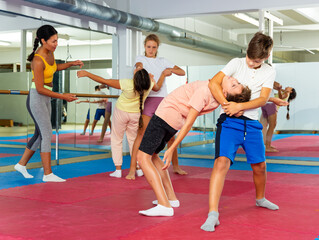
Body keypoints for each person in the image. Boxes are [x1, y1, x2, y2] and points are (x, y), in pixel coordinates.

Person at [201, 32, 288, 232]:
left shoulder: (268, 71)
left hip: (252, 125)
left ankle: (261, 198)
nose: (250, 63)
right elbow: (213, 83)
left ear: (265, 58)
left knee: (260, 166)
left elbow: (262, 98)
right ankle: (213, 214)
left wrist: (241, 107)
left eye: (256, 61)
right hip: (230, 123)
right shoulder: (236, 63)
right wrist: (226, 104)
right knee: (221, 162)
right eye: (249, 58)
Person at [137, 76, 251, 217]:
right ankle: (171, 198)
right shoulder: (215, 94)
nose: (234, 79)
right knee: (153, 156)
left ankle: (163, 204)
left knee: (142, 157)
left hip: (164, 116)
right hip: (172, 120)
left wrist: (172, 149)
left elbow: (189, 123)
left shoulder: (205, 91)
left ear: (225, 93)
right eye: (237, 82)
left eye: (234, 85)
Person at [14, 25, 84, 182]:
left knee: (40, 134)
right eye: (53, 41)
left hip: (46, 97)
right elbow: (39, 88)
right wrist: (62, 96)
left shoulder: (50, 53)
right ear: (43, 41)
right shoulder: (37, 60)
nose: (56, 44)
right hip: (37, 97)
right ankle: (47, 174)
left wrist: (71, 64)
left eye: (57, 40)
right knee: (46, 134)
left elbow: (54, 68)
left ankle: (21, 164)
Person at [77, 68, 166, 178]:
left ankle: (118, 169)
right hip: (136, 114)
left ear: (135, 77)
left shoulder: (128, 83)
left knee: (116, 139)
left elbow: (104, 80)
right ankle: (138, 168)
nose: (136, 68)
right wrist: (160, 76)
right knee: (134, 141)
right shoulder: (149, 84)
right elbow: (157, 88)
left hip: (121, 113)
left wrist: (87, 73)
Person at [126, 34, 186, 180]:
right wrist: (139, 69)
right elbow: (138, 66)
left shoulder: (163, 61)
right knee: (141, 134)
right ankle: (132, 169)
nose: (151, 50)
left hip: (164, 102)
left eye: (154, 47)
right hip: (148, 100)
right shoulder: (141, 59)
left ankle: (176, 166)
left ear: (157, 48)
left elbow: (182, 71)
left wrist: (168, 71)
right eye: (148, 47)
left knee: (170, 136)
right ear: (145, 47)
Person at [260, 83, 295, 152]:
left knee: (264, 126)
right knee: (271, 126)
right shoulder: (284, 92)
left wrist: (279, 89)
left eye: (289, 87)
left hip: (265, 104)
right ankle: (267, 146)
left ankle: (266, 144)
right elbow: (280, 93)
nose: (287, 86)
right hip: (270, 106)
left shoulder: (286, 94)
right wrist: (279, 89)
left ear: (291, 91)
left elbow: (281, 96)